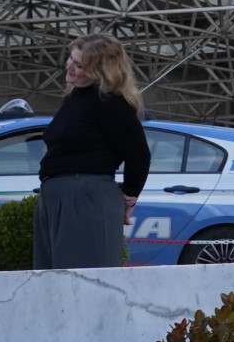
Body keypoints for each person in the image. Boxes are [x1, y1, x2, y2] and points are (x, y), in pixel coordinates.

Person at [34, 34, 149, 270]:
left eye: (79, 65)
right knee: (51, 278)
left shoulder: (111, 103)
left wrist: (129, 194)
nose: (70, 67)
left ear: (100, 72)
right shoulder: (74, 98)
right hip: (56, 196)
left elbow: (139, 154)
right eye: (71, 60)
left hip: (86, 197)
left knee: (81, 278)